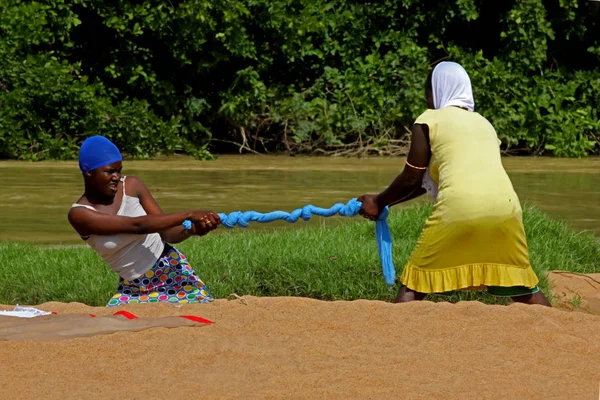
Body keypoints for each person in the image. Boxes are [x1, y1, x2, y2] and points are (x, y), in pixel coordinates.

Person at [358, 61, 551, 306]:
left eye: (428, 92)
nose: (427, 100)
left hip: (458, 209)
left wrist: (379, 201)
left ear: (438, 90)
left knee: (414, 283)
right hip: (508, 211)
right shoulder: (484, 124)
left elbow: (411, 178)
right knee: (523, 286)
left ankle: (393, 339)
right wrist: (383, 201)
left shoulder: (428, 121)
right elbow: (429, 181)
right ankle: (566, 335)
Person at [68, 136, 221, 306]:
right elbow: (137, 225)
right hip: (133, 287)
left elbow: (169, 234)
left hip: (171, 271)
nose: (116, 177)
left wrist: (191, 230)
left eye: (119, 171)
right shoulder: (80, 214)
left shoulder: (132, 186)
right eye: (110, 171)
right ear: (89, 172)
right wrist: (189, 214)